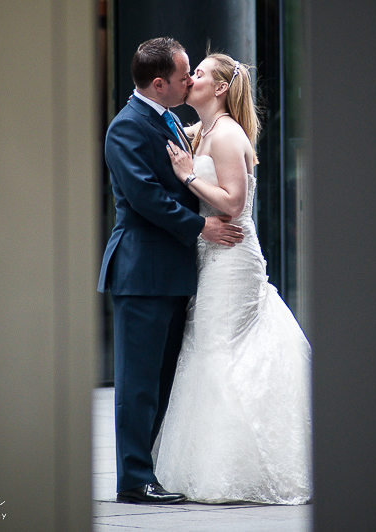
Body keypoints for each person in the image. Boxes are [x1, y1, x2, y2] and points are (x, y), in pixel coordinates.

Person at [155, 53, 312, 504]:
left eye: (199, 74)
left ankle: (242, 464)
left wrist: (187, 177)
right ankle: (210, 460)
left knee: (221, 347)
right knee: (205, 348)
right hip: (209, 255)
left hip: (230, 256)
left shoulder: (226, 134)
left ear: (220, 88)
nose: (191, 79)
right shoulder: (201, 130)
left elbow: (234, 203)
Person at [97, 38, 244, 505]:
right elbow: (144, 198)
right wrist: (201, 226)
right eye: (183, 76)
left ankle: (152, 469)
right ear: (159, 84)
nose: (189, 81)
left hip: (174, 272)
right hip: (142, 272)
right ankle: (134, 480)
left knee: (163, 380)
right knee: (138, 384)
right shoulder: (127, 127)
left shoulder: (172, 122)